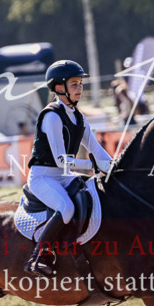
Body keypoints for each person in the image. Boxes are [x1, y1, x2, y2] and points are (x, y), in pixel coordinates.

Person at [24, 60, 114, 277]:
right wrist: (90, 166)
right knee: (66, 209)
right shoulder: (52, 116)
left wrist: (114, 167)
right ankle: (39, 257)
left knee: (95, 196)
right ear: (58, 88)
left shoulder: (79, 117)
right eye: (74, 84)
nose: (79, 89)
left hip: (64, 176)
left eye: (81, 84)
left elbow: (95, 148)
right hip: (43, 177)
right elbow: (61, 160)